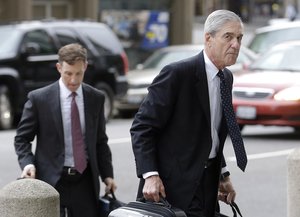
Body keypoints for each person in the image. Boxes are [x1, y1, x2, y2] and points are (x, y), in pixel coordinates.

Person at [130, 10, 247, 217]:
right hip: (171, 189)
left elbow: (210, 135)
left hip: (208, 186)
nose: (236, 45)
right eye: (228, 37)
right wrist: (150, 175)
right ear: (208, 38)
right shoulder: (177, 74)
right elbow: (142, 127)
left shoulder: (226, 78)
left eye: (239, 38)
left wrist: (223, 175)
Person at [14, 43, 117, 217]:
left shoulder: (95, 98)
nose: (74, 80)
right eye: (68, 73)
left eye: (79, 73)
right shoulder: (40, 99)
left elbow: (100, 141)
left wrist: (107, 175)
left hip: (85, 181)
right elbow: (22, 139)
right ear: (59, 67)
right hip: (52, 180)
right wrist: (28, 164)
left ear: (85, 66)